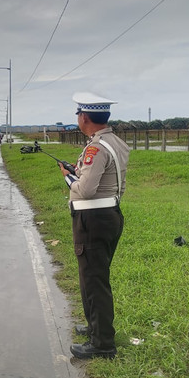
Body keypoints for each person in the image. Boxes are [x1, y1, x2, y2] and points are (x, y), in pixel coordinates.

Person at [60, 92, 130, 360]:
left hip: (93, 219)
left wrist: (69, 179)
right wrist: (78, 175)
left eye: (78, 114)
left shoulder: (95, 148)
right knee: (92, 277)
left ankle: (102, 343)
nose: (78, 118)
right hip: (108, 214)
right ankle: (94, 327)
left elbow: (86, 190)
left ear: (85, 117)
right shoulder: (115, 142)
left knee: (94, 280)